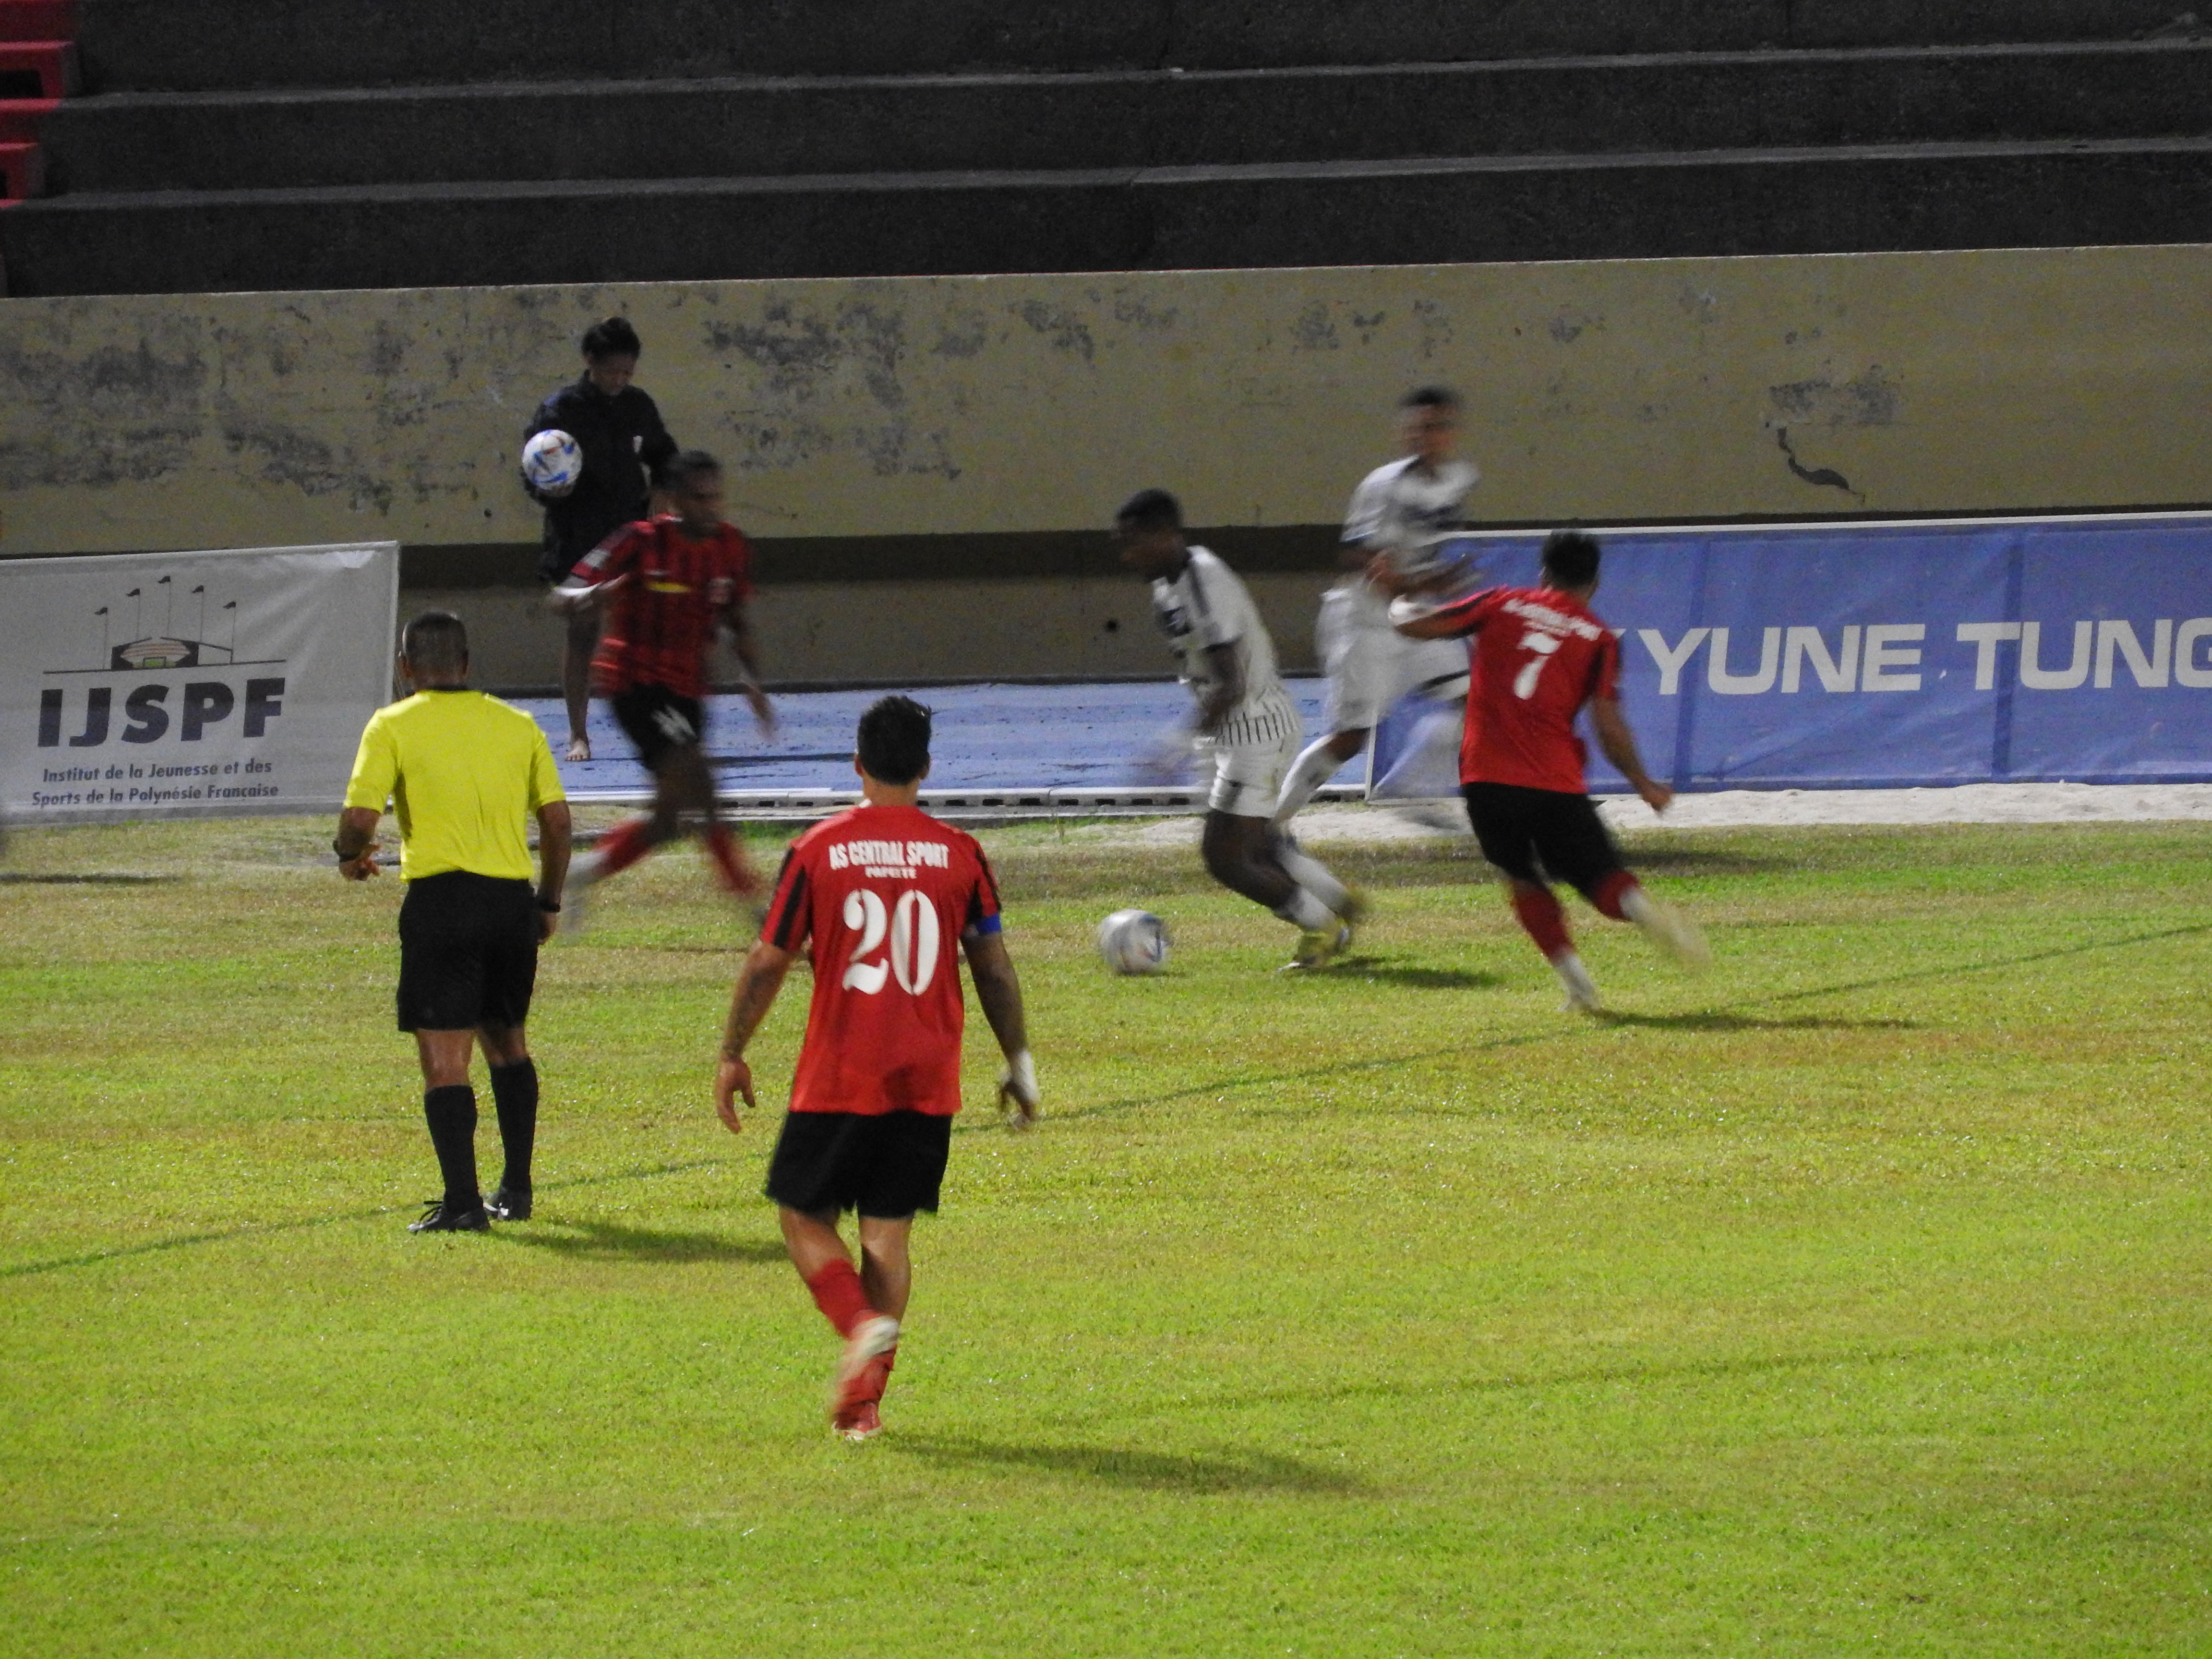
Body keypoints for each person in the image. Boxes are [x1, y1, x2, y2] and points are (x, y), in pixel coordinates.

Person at [712, 696, 1039, 1442]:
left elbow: (770, 958)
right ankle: (863, 1408)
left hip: (840, 1070)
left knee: (803, 1214)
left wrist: (733, 1052)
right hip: (926, 1077)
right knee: (887, 1237)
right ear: (925, 767)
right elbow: (991, 965)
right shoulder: (961, 853)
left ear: (857, 764)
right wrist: (1018, 1062)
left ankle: (859, 1326)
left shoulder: (818, 849)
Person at [1395, 529, 1707, 1010]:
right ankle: (1637, 907)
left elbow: (1424, 625)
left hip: (1488, 777)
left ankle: (1579, 987)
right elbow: (1608, 723)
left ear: (1544, 574)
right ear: (1595, 583)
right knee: (1599, 877)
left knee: (1522, 878)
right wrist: (1644, 784)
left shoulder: (1501, 603)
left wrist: (1399, 603)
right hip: (1556, 781)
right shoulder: (1599, 639)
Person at [334, 611, 572, 1231]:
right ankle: (516, 1191)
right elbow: (558, 825)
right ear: (466, 665)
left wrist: (350, 857)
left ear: (405, 669)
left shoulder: (392, 724)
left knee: (446, 1062)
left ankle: (464, 1204)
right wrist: (546, 903)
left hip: (443, 906)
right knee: (509, 1045)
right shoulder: (517, 726)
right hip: (510, 904)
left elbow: (359, 822)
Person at [1114, 488, 1358, 970]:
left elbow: (1233, 682)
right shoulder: (1167, 584)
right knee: (1256, 843)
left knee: (1225, 857)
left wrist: (1174, 745)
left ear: (1165, 534)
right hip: (1229, 731)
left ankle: (1326, 927)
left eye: (1133, 542)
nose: (1127, 554)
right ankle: (1335, 901)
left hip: (1254, 729)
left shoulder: (1203, 579)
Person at [552, 448, 774, 926]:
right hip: (635, 683)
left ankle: (584, 872)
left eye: (717, 497)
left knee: (668, 821)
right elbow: (561, 596)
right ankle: (759, 910)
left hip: (688, 691)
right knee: (704, 784)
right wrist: (596, 595)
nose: (711, 508)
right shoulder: (639, 541)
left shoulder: (731, 547)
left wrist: (753, 680)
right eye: (700, 499)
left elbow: (737, 618)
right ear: (673, 500)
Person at [1273, 385, 1480, 833]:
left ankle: (1412, 786)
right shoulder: (1385, 486)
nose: (1428, 436)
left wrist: (1437, 583)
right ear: (1405, 433)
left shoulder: (1458, 480)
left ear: (1453, 432)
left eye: (1438, 426)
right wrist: (1429, 582)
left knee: (1475, 701)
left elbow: (1430, 551)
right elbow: (1360, 561)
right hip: (1365, 622)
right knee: (1350, 739)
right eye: (1420, 428)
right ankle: (1273, 825)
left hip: (1415, 618)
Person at [524, 315, 678, 762]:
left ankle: (657, 728)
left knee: (649, 628)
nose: (620, 379)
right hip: (577, 538)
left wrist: (663, 491)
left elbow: (664, 453)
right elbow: (533, 470)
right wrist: (551, 489)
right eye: (612, 370)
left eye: (628, 372)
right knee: (583, 631)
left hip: (630, 533)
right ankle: (579, 734)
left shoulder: (638, 406)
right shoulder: (560, 411)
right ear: (591, 362)